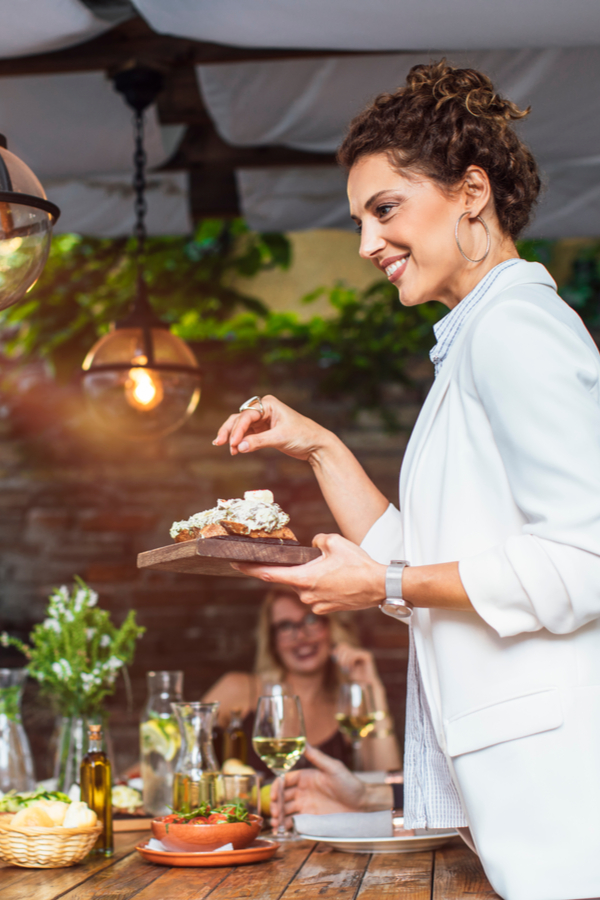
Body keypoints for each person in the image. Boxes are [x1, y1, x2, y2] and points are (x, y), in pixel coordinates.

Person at [213, 60, 600, 900]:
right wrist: (319, 448)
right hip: (511, 805)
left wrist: (381, 579)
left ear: (471, 191)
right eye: (360, 219)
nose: (366, 244)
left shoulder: (519, 333)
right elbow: (428, 567)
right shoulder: (472, 341)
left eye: (384, 209)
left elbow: (585, 561)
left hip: (562, 799)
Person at [202, 586, 401, 774]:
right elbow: (180, 744)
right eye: (286, 626)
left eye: (311, 620)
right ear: (273, 640)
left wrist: (372, 688)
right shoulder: (240, 689)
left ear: (331, 628)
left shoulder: (347, 709)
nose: (301, 636)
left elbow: (388, 781)